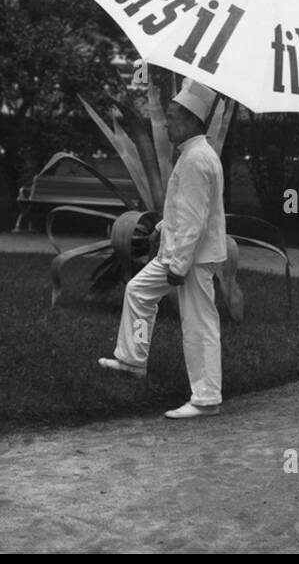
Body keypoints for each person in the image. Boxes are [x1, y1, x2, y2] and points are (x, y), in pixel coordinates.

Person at [99, 79, 230, 420]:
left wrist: (179, 266)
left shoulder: (195, 160)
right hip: (180, 254)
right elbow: (187, 211)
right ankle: (131, 359)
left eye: (171, 117)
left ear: (189, 120)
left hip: (191, 259)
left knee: (199, 324)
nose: (166, 122)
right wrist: (161, 228)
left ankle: (206, 398)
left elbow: (194, 221)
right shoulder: (197, 154)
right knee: (139, 291)